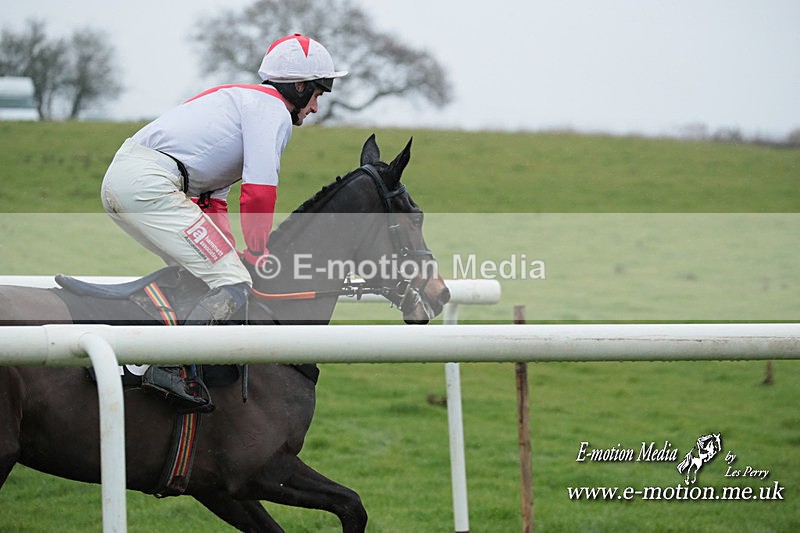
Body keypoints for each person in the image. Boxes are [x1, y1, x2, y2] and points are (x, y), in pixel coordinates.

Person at [100, 33, 347, 410]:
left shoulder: (246, 103)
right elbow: (260, 191)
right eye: (318, 92)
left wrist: (234, 252)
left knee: (209, 273)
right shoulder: (272, 111)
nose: (315, 106)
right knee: (231, 282)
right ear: (298, 86)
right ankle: (166, 366)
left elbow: (213, 200)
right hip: (149, 184)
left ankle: (152, 356)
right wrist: (257, 252)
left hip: (133, 179)